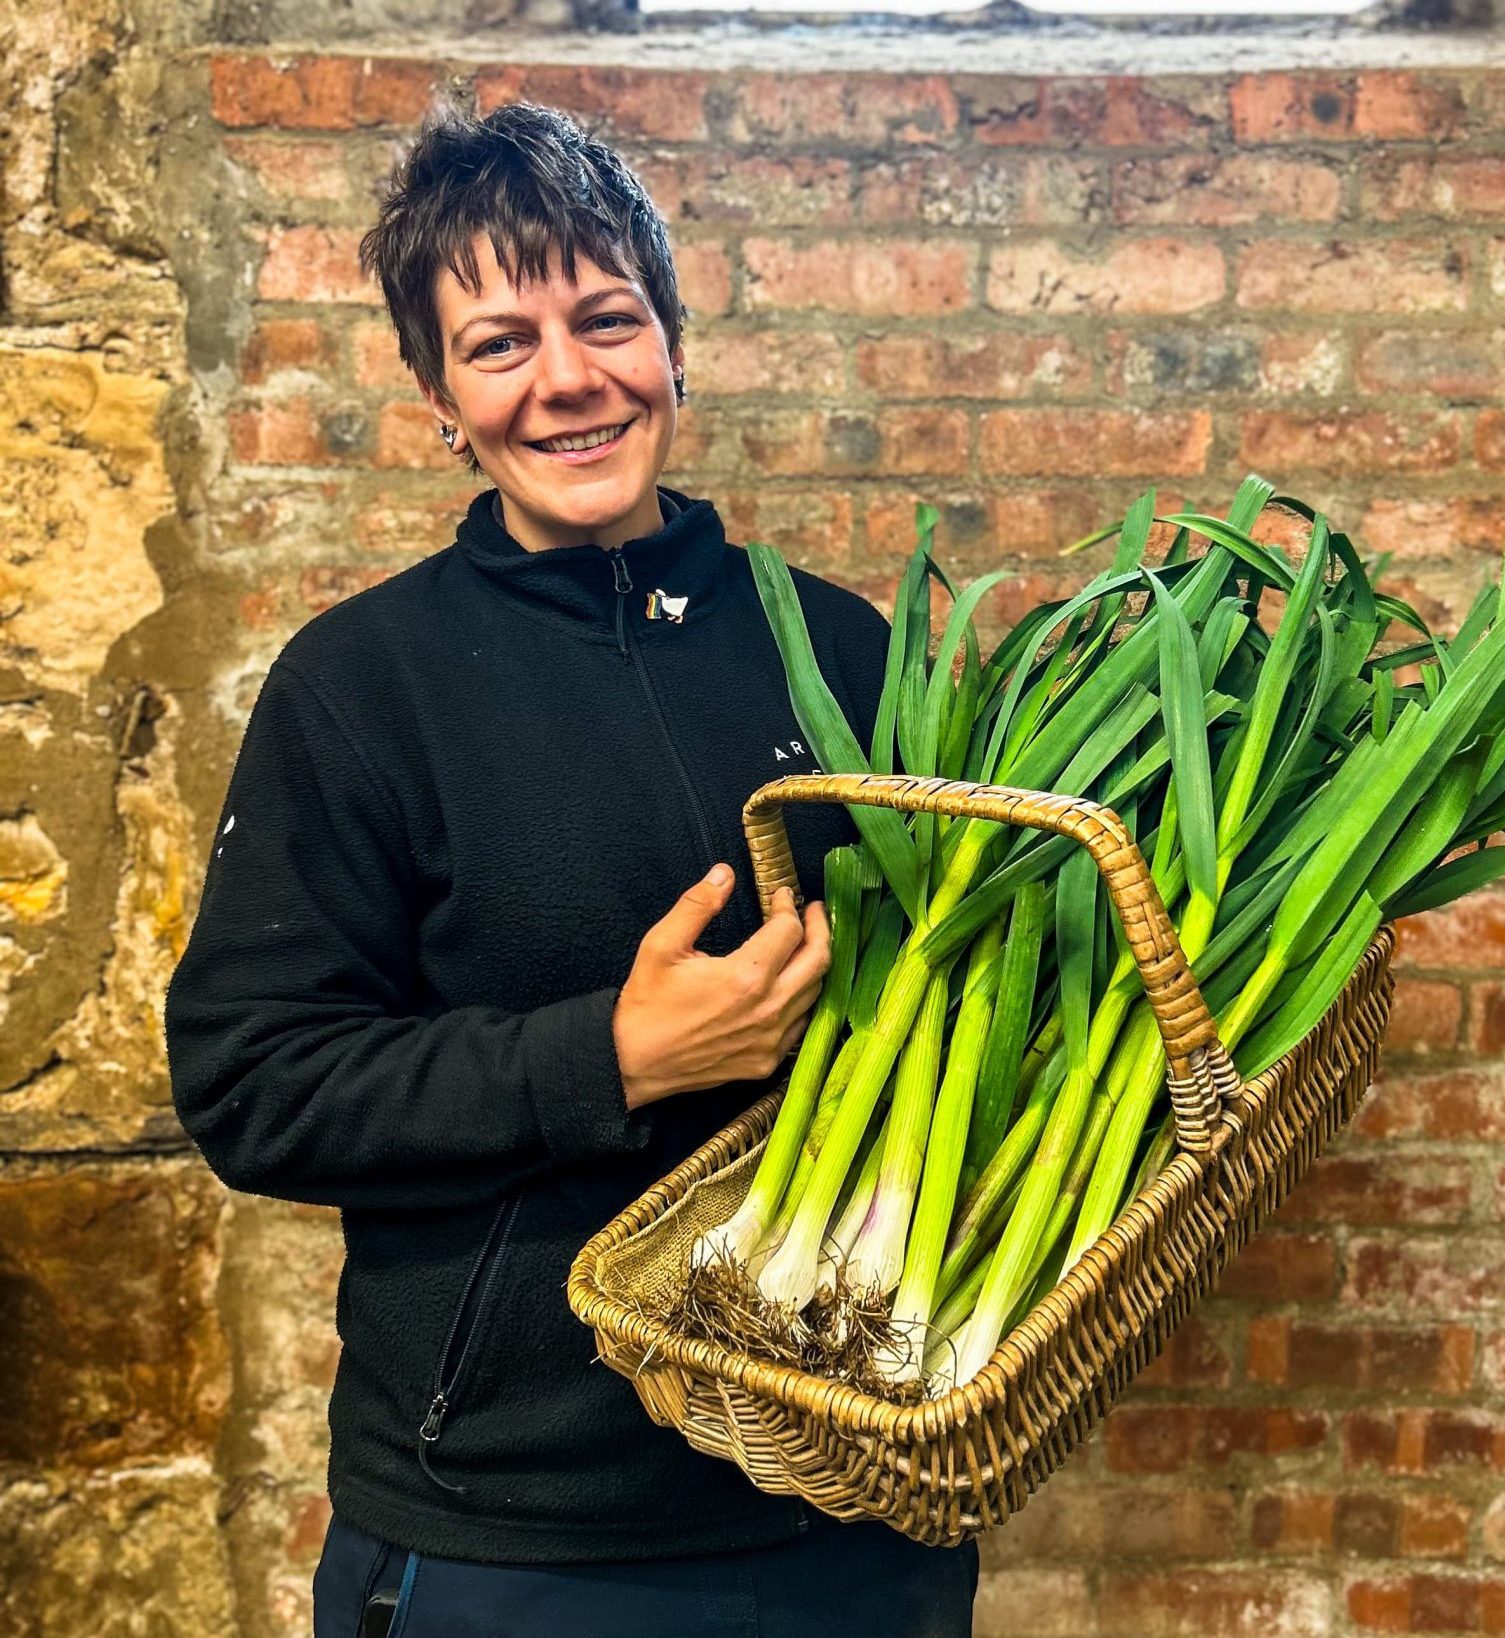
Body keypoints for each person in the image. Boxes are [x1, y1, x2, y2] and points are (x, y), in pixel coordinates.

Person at [164, 100, 979, 1636]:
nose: (569, 380)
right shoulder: (362, 685)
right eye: (499, 344)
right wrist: (612, 1054)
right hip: (509, 1540)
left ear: (676, 341)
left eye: (609, 319)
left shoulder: (849, 655)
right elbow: (251, 1083)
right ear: (435, 394)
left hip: (856, 1508)